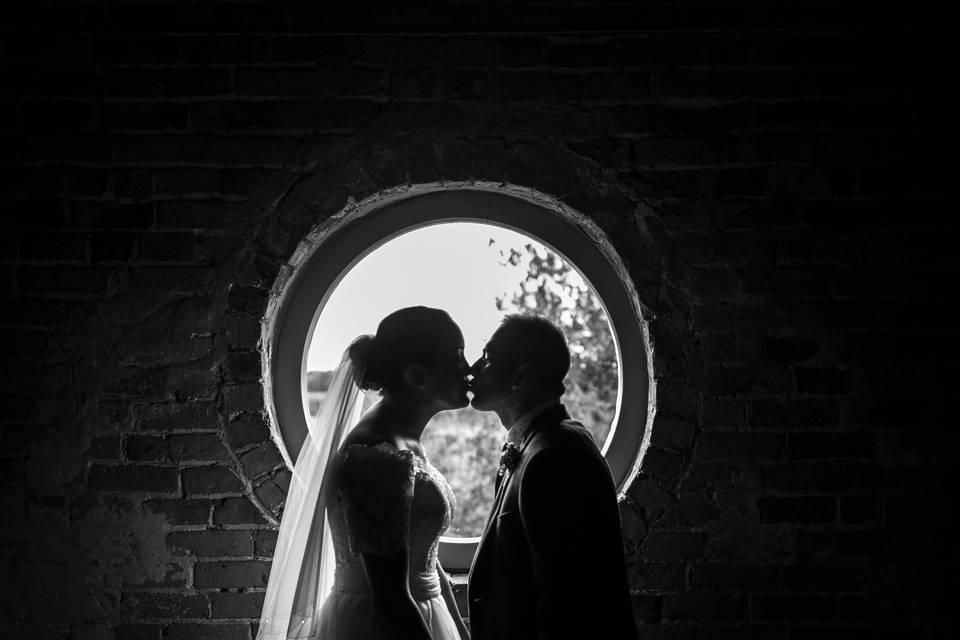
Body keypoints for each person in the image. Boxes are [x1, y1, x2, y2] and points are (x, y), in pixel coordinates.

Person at [256, 306, 471, 640]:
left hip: (424, 611)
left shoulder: (403, 442)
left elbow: (422, 555)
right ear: (417, 375)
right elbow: (391, 600)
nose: (468, 369)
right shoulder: (375, 457)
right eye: (457, 357)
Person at [466, 314, 638, 640]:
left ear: (522, 374)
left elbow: (568, 608)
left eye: (488, 357)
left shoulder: (552, 457)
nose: (473, 368)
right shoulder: (543, 443)